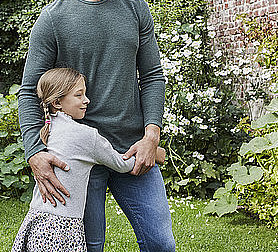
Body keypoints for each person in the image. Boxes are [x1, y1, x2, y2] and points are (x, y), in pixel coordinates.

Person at [18, 0, 176, 252]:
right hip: (79, 157)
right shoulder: (53, 20)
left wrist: (152, 135)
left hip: (133, 149)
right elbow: (29, 92)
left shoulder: (135, 7)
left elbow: (152, 76)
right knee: (89, 247)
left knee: (161, 244)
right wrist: (34, 151)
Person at [12, 67, 166, 252]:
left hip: (37, 224)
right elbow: (122, 164)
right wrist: (156, 153)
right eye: (79, 95)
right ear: (57, 102)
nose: (87, 100)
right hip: (63, 231)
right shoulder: (86, 136)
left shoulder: (48, 127)